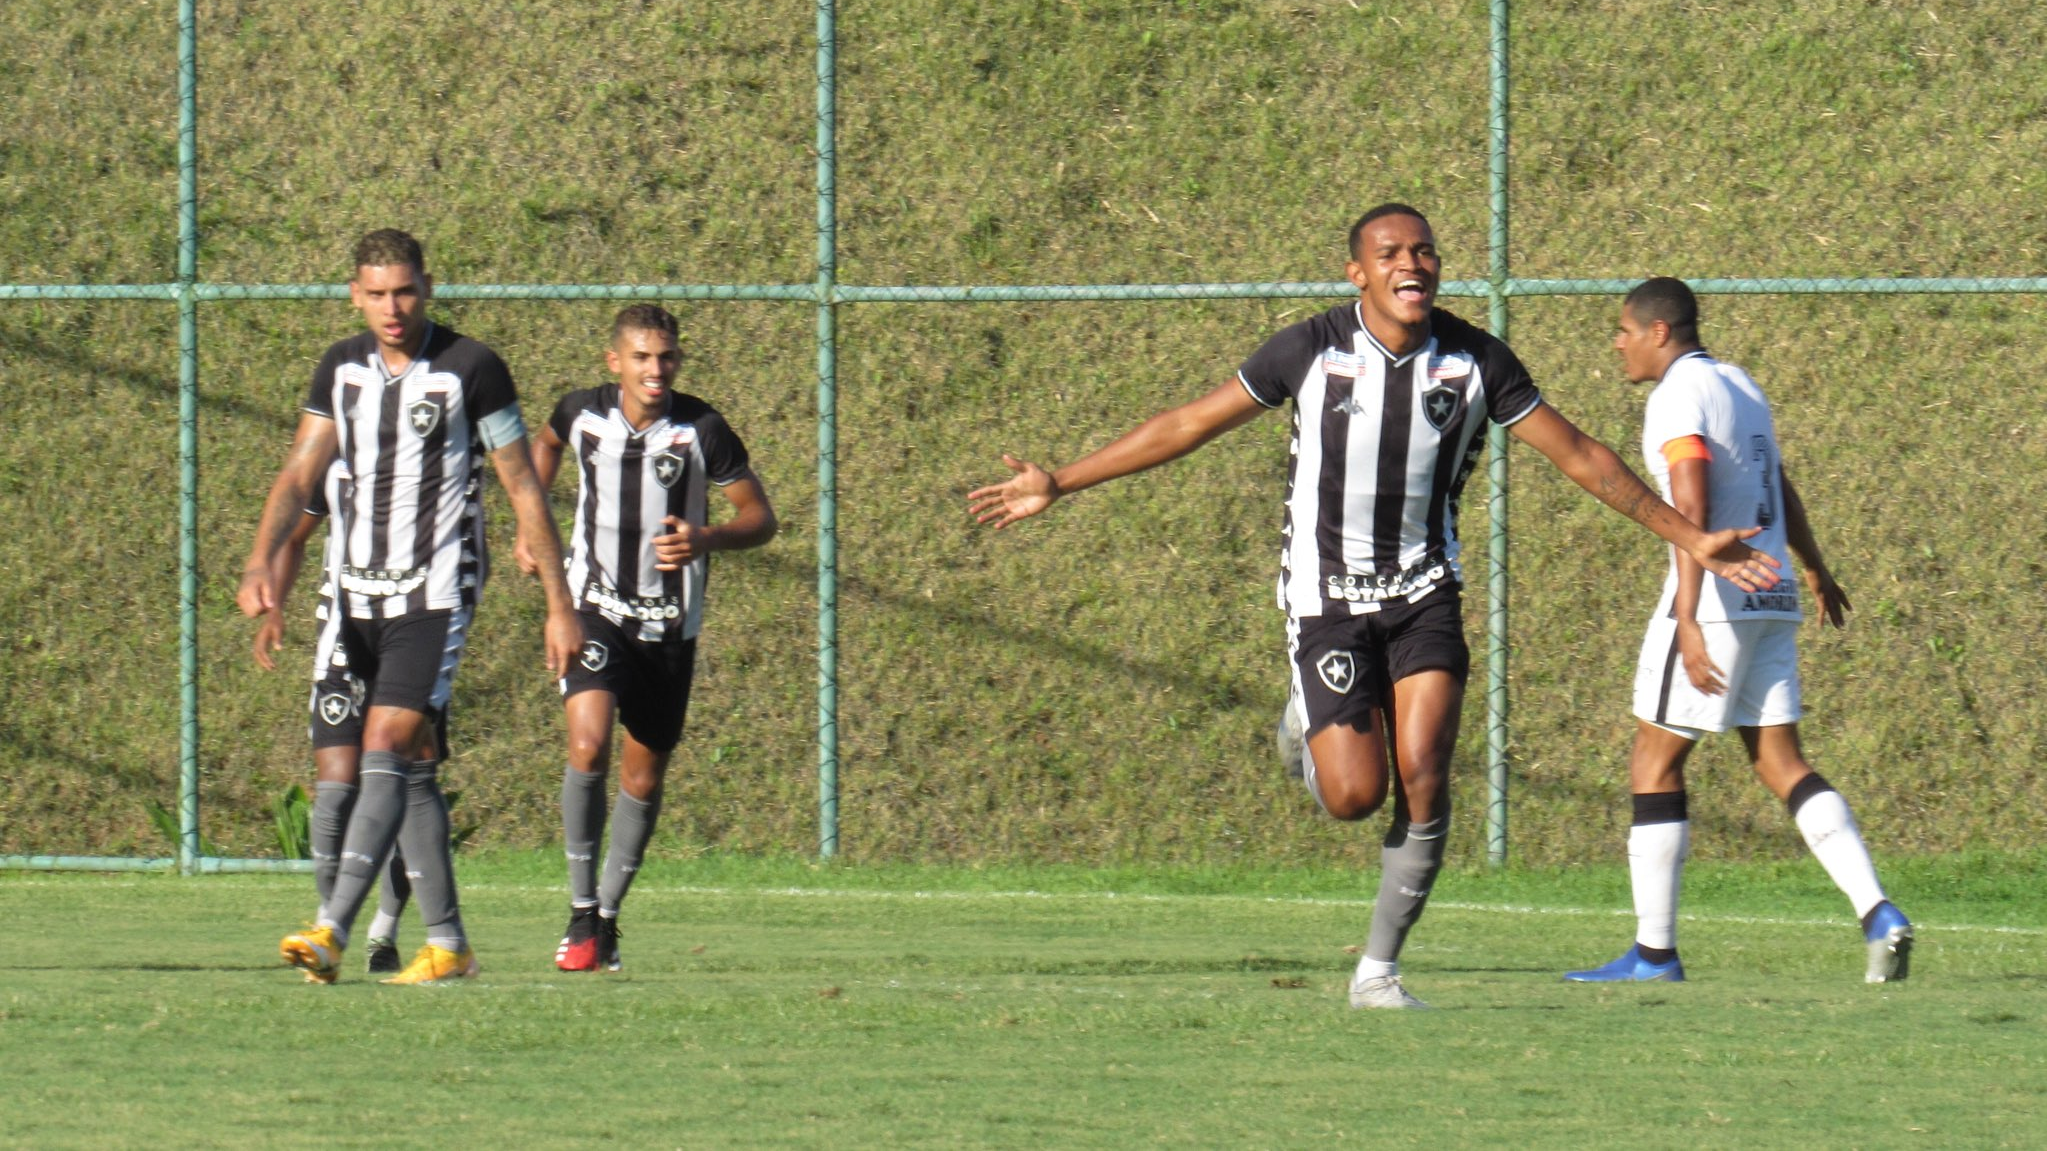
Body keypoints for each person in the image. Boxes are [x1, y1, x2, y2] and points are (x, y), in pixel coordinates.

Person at [968, 204, 1782, 1009]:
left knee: (1424, 771)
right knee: (1355, 795)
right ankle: (1308, 727)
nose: (1412, 264)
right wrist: (1061, 481)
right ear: (1357, 272)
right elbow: (1188, 423)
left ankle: (1378, 972)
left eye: (1424, 251)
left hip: (1424, 592)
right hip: (1326, 599)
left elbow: (1582, 457)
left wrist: (1690, 536)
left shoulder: (1475, 361)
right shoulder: (1309, 349)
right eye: (1390, 252)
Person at [238, 228, 583, 985]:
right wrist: (263, 559)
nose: (392, 307)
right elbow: (301, 471)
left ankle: (331, 929)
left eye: (405, 291)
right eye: (377, 293)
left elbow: (523, 484)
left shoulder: (472, 368)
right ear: (354, 294)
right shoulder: (340, 367)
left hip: (432, 592)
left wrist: (559, 605)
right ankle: (450, 943)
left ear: (427, 286)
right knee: (404, 768)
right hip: (348, 593)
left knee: (386, 746)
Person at [1563, 277, 1911, 985]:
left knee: (1652, 761)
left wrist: (1686, 615)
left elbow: (1688, 494)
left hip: (1718, 595)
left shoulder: (1676, 395)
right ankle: (1877, 911)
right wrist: (1811, 566)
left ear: (1659, 331)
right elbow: (1777, 485)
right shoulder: (1740, 384)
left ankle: (1653, 954)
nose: (1616, 342)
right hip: (1771, 589)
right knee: (1780, 762)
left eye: (1624, 330)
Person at [516, 303, 778, 972]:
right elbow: (541, 445)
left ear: (677, 360)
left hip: (667, 627)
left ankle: (605, 918)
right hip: (593, 608)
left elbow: (760, 516)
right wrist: (531, 521)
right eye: (640, 357)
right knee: (587, 742)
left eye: (665, 357)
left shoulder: (702, 429)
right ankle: (578, 911)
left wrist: (709, 536)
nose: (654, 369)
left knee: (642, 774)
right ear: (615, 362)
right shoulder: (580, 412)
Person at [250, 458, 416, 976]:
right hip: (341, 645)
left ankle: (383, 931)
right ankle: (329, 926)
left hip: (412, 637)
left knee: (399, 788)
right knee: (336, 786)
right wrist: (274, 604)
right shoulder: (336, 460)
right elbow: (297, 535)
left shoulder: (430, 456)